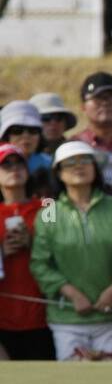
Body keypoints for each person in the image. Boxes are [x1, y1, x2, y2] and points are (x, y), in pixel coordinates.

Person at [29, 141, 112, 360]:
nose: (79, 166)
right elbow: (39, 264)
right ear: (58, 173)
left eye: (85, 160)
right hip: (66, 317)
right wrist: (72, 293)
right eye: (70, 163)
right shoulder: (49, 211)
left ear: (95, 168)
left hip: (110, 316)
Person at [0, 143, 55, 360]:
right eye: (6, 165)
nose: (14, 169)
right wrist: (2, 252)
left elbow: (61, 249)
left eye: (19, 163)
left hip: (45, 315)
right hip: (3, 318)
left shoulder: (49, 206)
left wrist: (33, 243)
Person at [1, 100, 53, 197]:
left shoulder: (51, 165)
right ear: (5, 136)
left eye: (33, 130)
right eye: (17, 130)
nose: (26, 136)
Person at [31, 92, 76, 159]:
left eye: (59, 117)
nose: (53, 123)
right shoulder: (19, 156)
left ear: (65, 123)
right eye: (46, 118)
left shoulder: (75, 152)